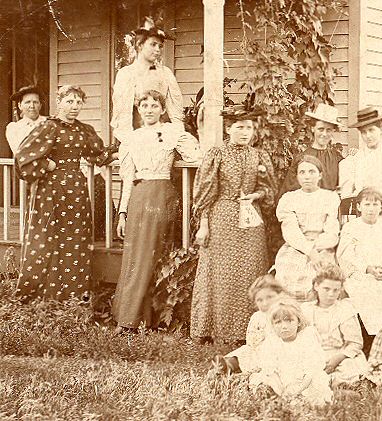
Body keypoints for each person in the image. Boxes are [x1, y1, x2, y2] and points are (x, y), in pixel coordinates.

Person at [15, 85, 118, 302]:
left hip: (76, 189)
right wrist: (46, 165)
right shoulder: (48, 127)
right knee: (48, 239)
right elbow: (22, 157)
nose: (74, 107)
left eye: (78, 102)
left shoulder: (84, 130)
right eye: (69, 101)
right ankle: (42, 296)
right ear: (59, 101)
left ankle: (72, 296)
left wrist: (122, 153)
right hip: (50, 190)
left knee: (74, 239)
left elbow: (98, 155)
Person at [112, 90, 202, 331]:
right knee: (136, 257)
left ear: (162, 109)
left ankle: (154, 318)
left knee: (159, 254)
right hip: (140, 198)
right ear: (138, 110)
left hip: (163, 196)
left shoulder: (172, 132)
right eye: (144, 105)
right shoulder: (131, 139)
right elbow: (128, 178)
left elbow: (196, 156)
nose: (149, 109)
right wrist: (122, 213)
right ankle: (129, 318)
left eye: (154, 105)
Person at [191, 104, 275, 343]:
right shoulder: (217, 154)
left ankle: (248, 332)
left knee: (250, 272)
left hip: (250, 221)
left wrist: (256, 196)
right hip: (222, 217)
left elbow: (268, 189)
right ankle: (213, 330)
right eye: (239, 127)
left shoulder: (259, 155)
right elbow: (205, 192)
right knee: (220, 274)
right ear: (228, 128)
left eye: (249, 127)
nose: (245, 132)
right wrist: (204, 224)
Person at [336, 187, 382, 347]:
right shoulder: (351, 228)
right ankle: (372, 337)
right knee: (366, 289)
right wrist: (367, 268)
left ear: (381, 207)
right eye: (367, 204)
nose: (371, 209)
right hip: (360, 272)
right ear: (359, 206)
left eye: (375, 204)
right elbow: (346, 255)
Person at [272, 156, 341, 298]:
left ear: (320, 175)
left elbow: (332, 231)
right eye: (302, 172)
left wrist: (317, 249)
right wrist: (310, 251)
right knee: (289, 273)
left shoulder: (330, 198)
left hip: (322, 248)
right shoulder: (289, 199)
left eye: (311, 171)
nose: (307, 177)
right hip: (297, 247)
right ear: (297, 176)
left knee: (323, 274)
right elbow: (291, 232)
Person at [249, 301, 335, 405]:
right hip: (281, 379)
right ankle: (280, 398)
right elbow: (271, 371)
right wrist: (282, 392)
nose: (284, 326)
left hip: (305, 380)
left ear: (298, 321)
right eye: (278, 322)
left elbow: (311, 369)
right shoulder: (272, 342)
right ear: (272, 325)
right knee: (265, 379)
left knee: (317, 382)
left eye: (289, 321)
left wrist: (298, 390)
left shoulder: (306, 338)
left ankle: (307, 400)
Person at [301, 267, 371, 386]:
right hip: (313, 354)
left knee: (351, 369)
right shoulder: (305, 310)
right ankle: (324, 385)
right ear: (316, 286)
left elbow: (355, 343)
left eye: (335, 290)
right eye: (326, 289)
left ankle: (338, 385)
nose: (331, 294)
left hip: (340, 355)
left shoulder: (344, 310)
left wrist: (338, 358)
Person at [111, 19, 184, 132]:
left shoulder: (165, 73)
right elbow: (123, 115)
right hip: (136, 135)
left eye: (160, 46)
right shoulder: (126, 74)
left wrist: (178, 135)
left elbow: (175, 111)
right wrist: (129, 141)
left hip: (163, 135)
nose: (157, 50)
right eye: (153, 45)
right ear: (139, 45)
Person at [213, 275, 289, 375]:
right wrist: (256, 341)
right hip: (257, 349)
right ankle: (227, 364)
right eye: (260, 300)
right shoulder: (257, 317)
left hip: (278, 350)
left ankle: (233, 367)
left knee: (264, 358)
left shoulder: (285, 314)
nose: (265, 303)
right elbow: (250, 339)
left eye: (269, 297)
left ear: (279, 295)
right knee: (243, 352)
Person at [282, 103, 345, 192]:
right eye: (321, 129)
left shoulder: (337, 158)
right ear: (312, 128)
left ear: (333, 131)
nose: (324, 134)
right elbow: (289, 190)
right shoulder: (302, 158)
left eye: (329, 130)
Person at [6, 85, 46, 155]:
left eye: (35, 102)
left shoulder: (48, 123)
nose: (32, 106)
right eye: (27, 102)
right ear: (19, 106)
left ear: (40, 105)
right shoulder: (14, 128)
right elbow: (20, 152)